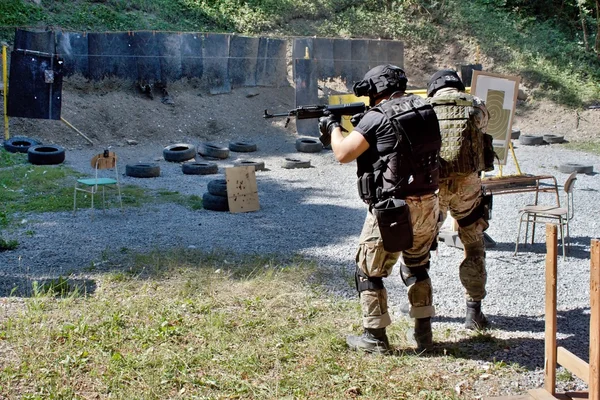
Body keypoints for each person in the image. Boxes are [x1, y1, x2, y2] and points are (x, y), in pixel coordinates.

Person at [318, 64, 442, 353]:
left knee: (368, 271)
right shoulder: (425, 109)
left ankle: (375, 337)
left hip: (393, 208)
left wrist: (333, 126)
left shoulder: (378, 116)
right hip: (428, 202)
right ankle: (424, 335)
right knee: (417, 266)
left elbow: (342, 152)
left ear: (375, 89)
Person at [425, 69, 493, 330]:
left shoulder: (424, 108)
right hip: (468, 186)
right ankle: (473, 312)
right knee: (473, 245)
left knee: (421, 245)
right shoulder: (477, 106)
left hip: (434, 186)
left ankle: (420, 308)